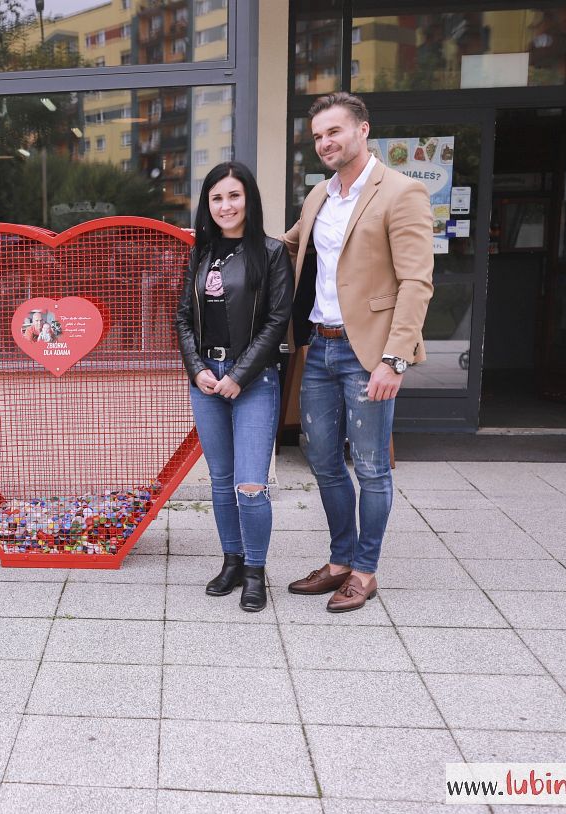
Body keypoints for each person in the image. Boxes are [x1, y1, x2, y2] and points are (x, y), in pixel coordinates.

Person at [282, 91, 434, 612]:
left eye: (334, 131)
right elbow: (288, 245)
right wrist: (218, 236)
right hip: (319, 348)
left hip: (367, 353)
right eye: (318, 136)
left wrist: (395, 359)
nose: (325, 142)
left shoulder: (402, 192)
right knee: (323, 461)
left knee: (370, 468)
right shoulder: (318, 195)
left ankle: (364, 572)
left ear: (362, 129)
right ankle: (340, 560)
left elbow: (416, 282)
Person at [175, 161, 293, 612]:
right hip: (206, 378)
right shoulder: (201, 253)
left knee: (250, 485)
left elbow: (276, 322)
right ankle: (232, 561)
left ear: (249, 200)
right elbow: (183, 317)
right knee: (221, 482)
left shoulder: (272, 252)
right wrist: (196, 369)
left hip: (253, 380)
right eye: (217, 198)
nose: (225, 206)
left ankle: (256, 572)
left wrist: (238, 375)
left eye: (234, 196)